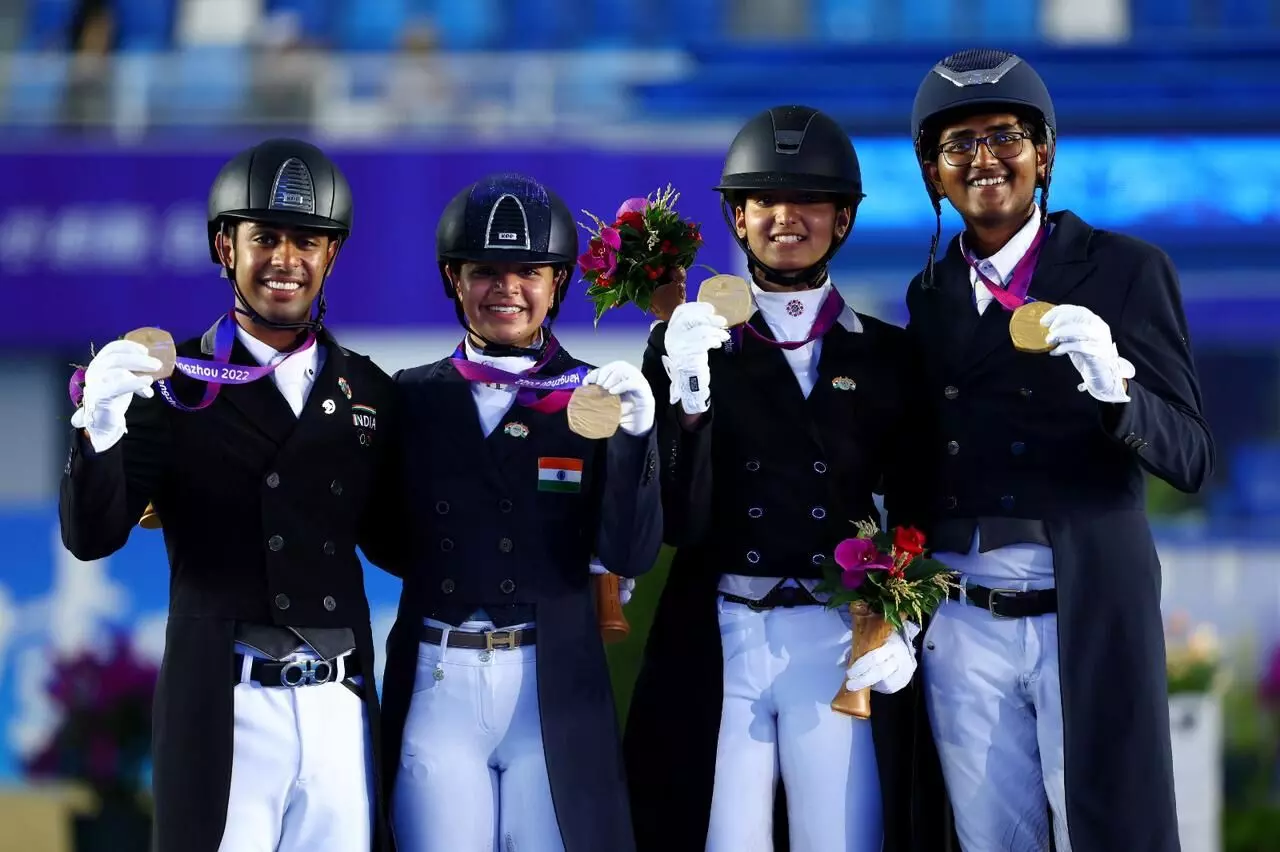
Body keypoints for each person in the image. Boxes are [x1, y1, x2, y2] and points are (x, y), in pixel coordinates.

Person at [904, 49, 1215, 852]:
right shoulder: (931, 294)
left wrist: (1118, 392)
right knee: (988, 841)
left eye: (1004, 135)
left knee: (1106, 832)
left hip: (1079, 608)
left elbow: (1190, 456)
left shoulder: (1125, 270)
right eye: (958, 144)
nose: (983, 159)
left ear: (1043, 154)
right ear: (933, 174)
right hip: (963, 620)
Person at [59, 138, 402, 852]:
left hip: (338, 706)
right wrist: (99, 429)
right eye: (265, 238)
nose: (286, 259)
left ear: (330, 255)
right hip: (227, 705)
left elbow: (407, 540)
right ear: (225, 246)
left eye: (306, 240)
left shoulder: (369, 391)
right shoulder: (173, 384)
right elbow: (92, 536)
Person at [623, 105, 927, 852]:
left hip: (838, 636)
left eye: (810, 201)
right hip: (723, 630)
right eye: (766, 201)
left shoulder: (888, 356)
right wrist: (688, 397)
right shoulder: (687, 344)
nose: (787, 218)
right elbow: (671, 521)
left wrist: (907, 619)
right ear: (737, 214)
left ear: (844, 219)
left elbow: (919, 502)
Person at [378, 172, 662, 852]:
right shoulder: (409, 398)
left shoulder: (594, 400)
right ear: (454, 279)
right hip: (438, 677)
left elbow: (630, 553)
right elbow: (382, 536)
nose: (506, 289)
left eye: (528, 271)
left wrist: (635, 446)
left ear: (557, 282)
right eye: (486, 271)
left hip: (552, 687)